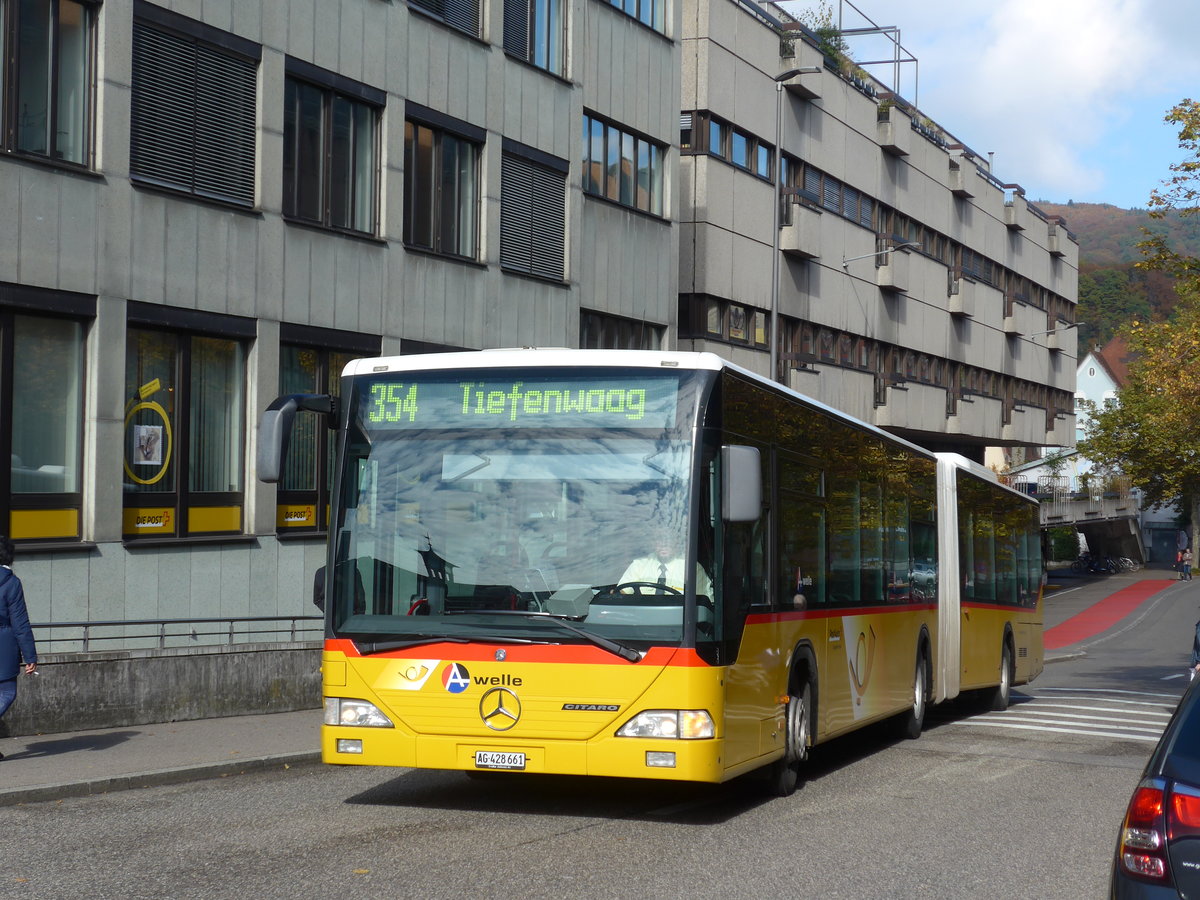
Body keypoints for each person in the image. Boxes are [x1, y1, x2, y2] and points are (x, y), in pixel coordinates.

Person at [1, 536, 38, 759]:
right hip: (3, 644)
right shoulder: (11, 582)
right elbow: (20, 622)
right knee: (7, 692)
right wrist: (30, 655)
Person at [618, 530, 712, 596]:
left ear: (677, 542)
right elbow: (622, 594)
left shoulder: (692, 568)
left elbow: (704, 603)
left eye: (669, 539)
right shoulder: (638, 566)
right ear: (653, 543)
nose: (664, 543)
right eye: (660, 539)